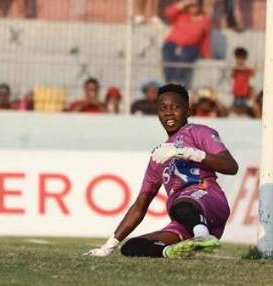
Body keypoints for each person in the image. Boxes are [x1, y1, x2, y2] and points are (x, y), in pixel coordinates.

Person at [85, 83, 239, 259]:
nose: (168, 113)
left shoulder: (199, 132)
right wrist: (108, 246)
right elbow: (140, 206)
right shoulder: (158, 157)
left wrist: (187, 152)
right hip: (183, 221)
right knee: (133, 247)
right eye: (163, 108)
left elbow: (231, 166)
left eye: (175, 107)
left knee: (181, 202)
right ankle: (170, 251)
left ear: (188, 111)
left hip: (208, 200)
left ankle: (202, 237)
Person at [162, 0, 212, 88]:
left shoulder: (205, 19)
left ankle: (175, 81)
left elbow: (206, 38)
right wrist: (183, 3)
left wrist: (206, 53)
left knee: (186, 55)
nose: (192, 8)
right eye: (190, 6)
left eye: (195, 6)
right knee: (168, 55)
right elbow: (168, 13)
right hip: (172, 43)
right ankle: (170, 82)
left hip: (191, 46)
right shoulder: (182, 15)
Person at [230, 46, 254, 116]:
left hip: (244, 92)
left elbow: (252, 75)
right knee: (236, 105)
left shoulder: (247, 70)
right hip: (236, 92)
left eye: (242, 58)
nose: (240, 61)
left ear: (245, 59)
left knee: (243, 106)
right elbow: (232, 75)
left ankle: (243, 116)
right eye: (238, 58)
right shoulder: (235, 69)